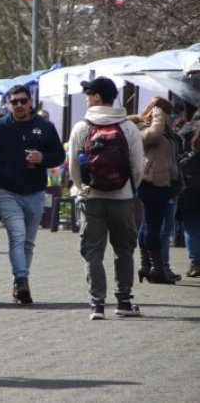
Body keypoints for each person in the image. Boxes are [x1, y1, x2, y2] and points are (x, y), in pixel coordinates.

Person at [68, 77, 144, 320]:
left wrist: (82, 188)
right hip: (122, 198)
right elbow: (138, 167)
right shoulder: (128, 127)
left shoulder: (81, 127)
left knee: (93, 251)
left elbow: (73, 168)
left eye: (88, 94)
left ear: (97, 97)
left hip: (91, 198)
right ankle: (124, 301)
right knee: (124, 249)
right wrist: (127, 188)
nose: (86, 99)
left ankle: (97, 305)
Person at [0, 85, 65, 304]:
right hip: (7, 191)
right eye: (14, 101)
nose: (19, 105)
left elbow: (59, 155)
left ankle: (19, 282)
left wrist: (43, 158)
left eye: (22, 101)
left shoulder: (45, 127)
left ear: (30, 102)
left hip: (36, 192)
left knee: (28, 243)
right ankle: (22, 280)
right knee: (17, 237)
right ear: (8, 104)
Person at [135, 97, 183, 284]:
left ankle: (147, 266)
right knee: (153, 226)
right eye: (168, 113)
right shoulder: (143, 127)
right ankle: (156, 269)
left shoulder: (167, 131)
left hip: (164, 183)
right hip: (151, 183)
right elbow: (154, 136)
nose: (171, 118)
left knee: (149, 225)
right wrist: (158, 115)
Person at [178, 124, 200, 277]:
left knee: (192, 229)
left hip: (190, 194)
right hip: (191, 194)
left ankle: (195, 263)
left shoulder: (190, 156)